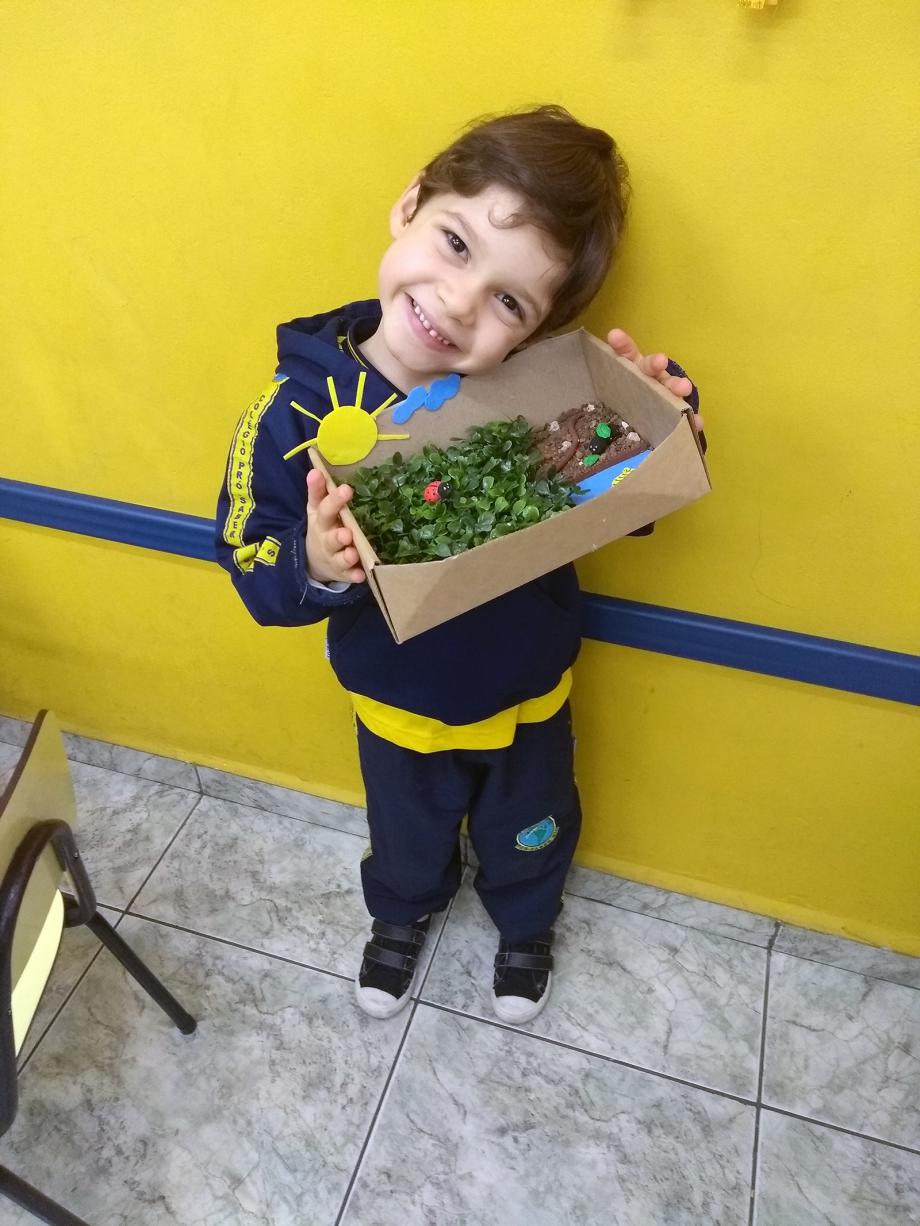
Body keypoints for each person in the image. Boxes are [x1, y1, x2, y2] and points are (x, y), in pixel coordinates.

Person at [215, 105, 702, 1024]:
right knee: (405, 834)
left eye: (511, 301)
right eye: (455, 242)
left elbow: (615, 491)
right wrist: (315, 561)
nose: (458, 302)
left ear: (536, 330)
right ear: (409, 204)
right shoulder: (291, 412)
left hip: (530, 692)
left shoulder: (531, 394)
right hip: (396, 701)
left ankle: (527, 925)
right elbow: (251, 559)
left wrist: (661, 418)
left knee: (533, 829)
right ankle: (400, 916)